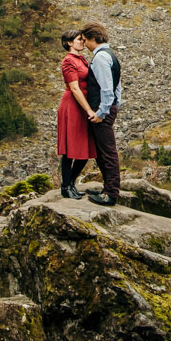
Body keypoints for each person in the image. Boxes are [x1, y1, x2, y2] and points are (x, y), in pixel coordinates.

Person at [80, 22, 124, 205]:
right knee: (102, 151)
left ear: (93, 38)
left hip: (102, 110)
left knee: (107, 152)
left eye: (85, 40)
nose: (84, 45)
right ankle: (108, 188)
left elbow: (106, 89)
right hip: (109, 107)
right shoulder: (111, 55)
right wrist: (116, 105)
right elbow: (117, 86)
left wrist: (102, 112)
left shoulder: (99, 58)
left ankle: (111, 193)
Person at [55, 31, 95, 199]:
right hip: (73, 105)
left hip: (81, 104)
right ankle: (66, 186)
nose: (83, 42)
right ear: (69, 42)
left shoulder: (81, 59)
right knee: (70, 148)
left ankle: (70, 183)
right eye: (79, 40)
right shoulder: (68, 61)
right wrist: (88, 110)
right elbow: (74, 88)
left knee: (84, 148)